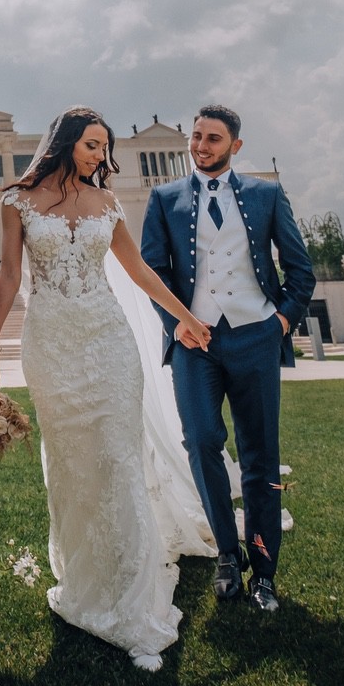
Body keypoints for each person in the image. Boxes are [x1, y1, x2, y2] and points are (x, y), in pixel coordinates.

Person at [0, 107, 213, 670]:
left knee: (119, 459)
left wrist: (183, 316)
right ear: (65, 143)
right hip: (51, 344)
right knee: (75, 463)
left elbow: (140, 271)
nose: (99, 156)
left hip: (109, 342)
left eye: (104, 148)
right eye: (91, 145)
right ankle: (86, 584)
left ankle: (130, 603)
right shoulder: (16, 200)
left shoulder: (108, 203)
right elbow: (8, 276)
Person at [140, 104, 314, 614]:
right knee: (201, 443)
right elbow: (154, 270)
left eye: (213, 138)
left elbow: (300, 269)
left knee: (260, 455)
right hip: (195, 345)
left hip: (254, 337)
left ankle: (264, 571)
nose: (201, 145)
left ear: (235, 146)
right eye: (196, 136)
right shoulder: (164, 198)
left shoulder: (266, 195)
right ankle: (225, 554)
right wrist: (177, 323)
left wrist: (280, 322)